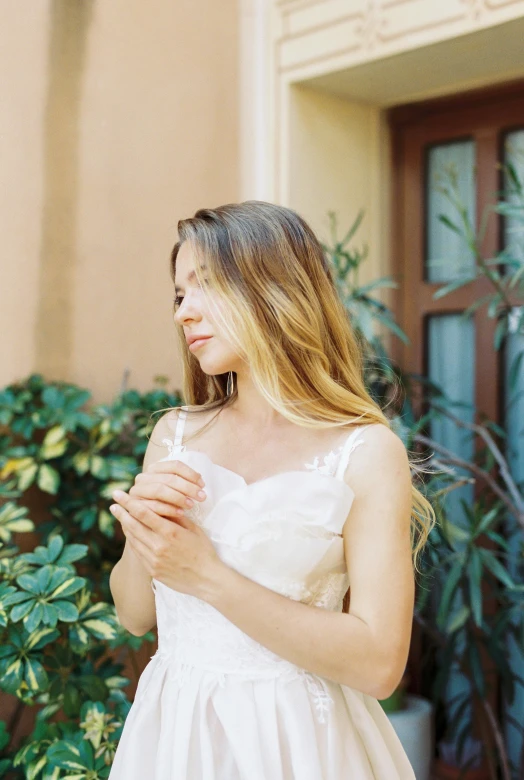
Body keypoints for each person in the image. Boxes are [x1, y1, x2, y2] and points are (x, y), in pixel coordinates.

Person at [108, 201, 435, 779]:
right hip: (177, 737)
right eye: (179, 296)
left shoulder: (364, 452)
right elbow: (134, 614)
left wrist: (206, 574)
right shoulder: (174, 434)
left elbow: (381, 664)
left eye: (204, 286)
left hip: (302, 745)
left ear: (274, 290)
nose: (185, 313)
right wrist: (144, 531)